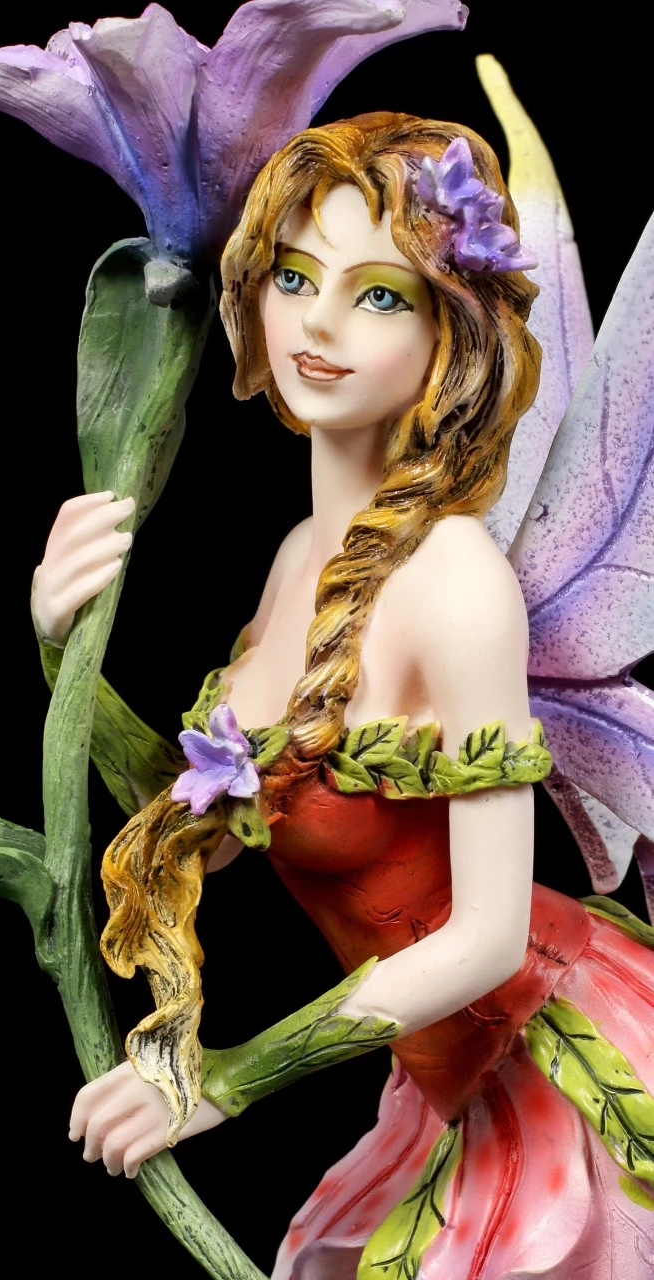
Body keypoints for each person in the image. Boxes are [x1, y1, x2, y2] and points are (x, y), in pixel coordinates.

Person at [32, 114, 654, 1278]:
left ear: (450, 331)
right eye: (293, 275)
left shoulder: (455, 582)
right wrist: (62, 648)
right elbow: (206, 823)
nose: (317, 323)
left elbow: (487, 936)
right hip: (441, 1081)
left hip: (559, 1062)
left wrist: (226, 1076)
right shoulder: (293, 563)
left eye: (377, 294)